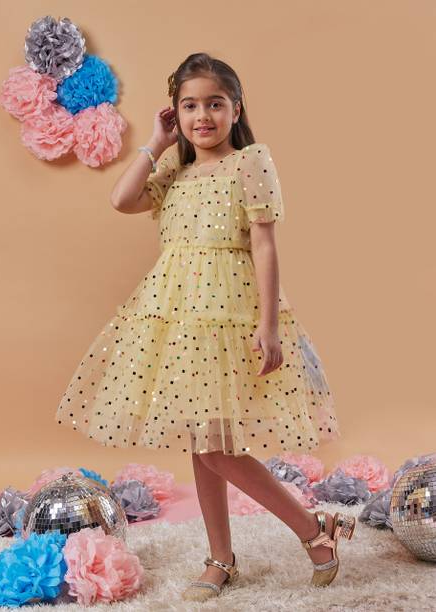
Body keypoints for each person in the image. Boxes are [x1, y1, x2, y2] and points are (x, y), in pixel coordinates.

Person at [55, 52, 356, 601]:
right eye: (189, 106)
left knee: (217, 445)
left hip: (231, 314)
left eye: (215, 104)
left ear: (236, 109)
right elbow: (121, 199)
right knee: (202, 441)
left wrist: (268, 324)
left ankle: (313, 529)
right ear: (175, 113)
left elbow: (264, 244)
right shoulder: (174, 170)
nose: (202, 116)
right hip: (179, 317)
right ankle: (221, 558)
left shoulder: (250, 162)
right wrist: (156, 143)